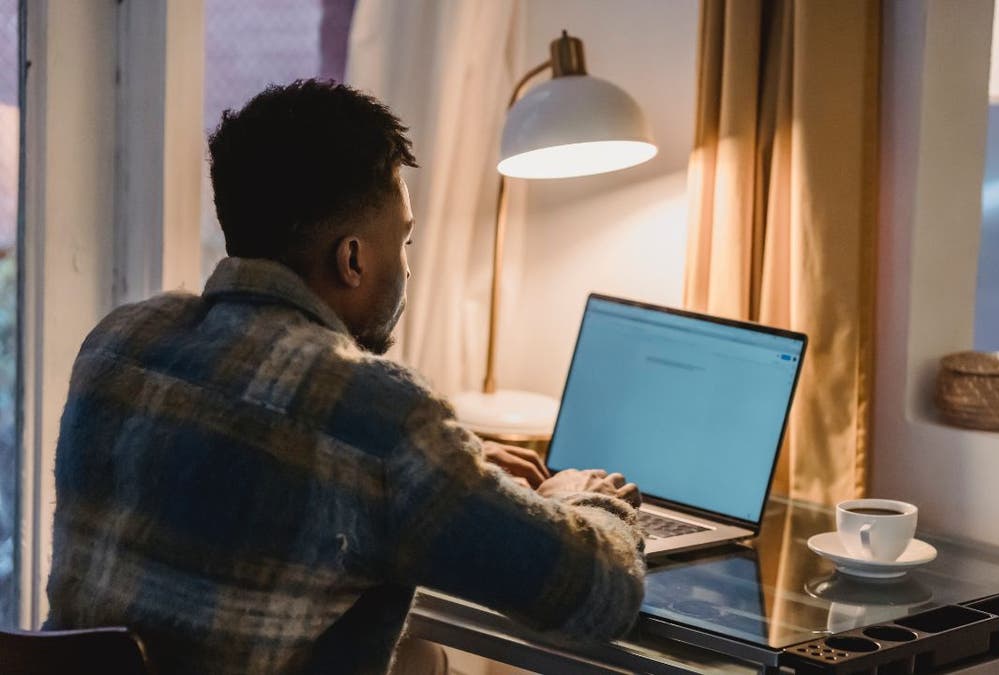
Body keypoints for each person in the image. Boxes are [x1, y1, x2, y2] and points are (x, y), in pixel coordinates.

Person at [45, 79, 645, 675]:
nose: (408, 268)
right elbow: (598, 594)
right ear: (352, 258)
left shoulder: (121, 342)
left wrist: (451, 464)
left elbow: (255, 444)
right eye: (404, 241)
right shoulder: (378, 422)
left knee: (422, 658)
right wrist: (578, 499)